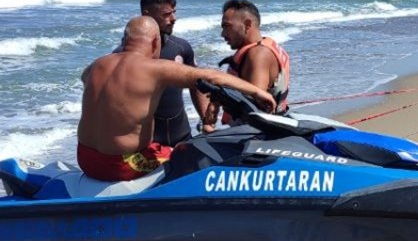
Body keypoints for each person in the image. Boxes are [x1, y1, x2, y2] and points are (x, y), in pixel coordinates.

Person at [78, 17, 275, 181]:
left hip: (85, 158)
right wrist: (258, 92)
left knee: (167, 148)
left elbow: (85, 79)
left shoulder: (97, 65)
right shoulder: (154, 68)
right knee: (195, 157)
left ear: (125, 39)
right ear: (156, 42)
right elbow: (210, 76)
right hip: (120, 164)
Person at [129, 0, 211, 144]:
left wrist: (206, 121)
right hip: (146, 143)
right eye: (166, 14)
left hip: (181, 135)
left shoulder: (181, 47)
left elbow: (197, 85)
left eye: (174, 12)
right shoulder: (127, 54)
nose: (174, 19)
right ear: (147, 15)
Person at [214, 0, 291, 120]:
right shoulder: (262, 47)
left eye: (227, 26)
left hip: (258, 133)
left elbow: (254, 108)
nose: (223, 34)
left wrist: (218, 91)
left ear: (247, 24)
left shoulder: (259, 54)